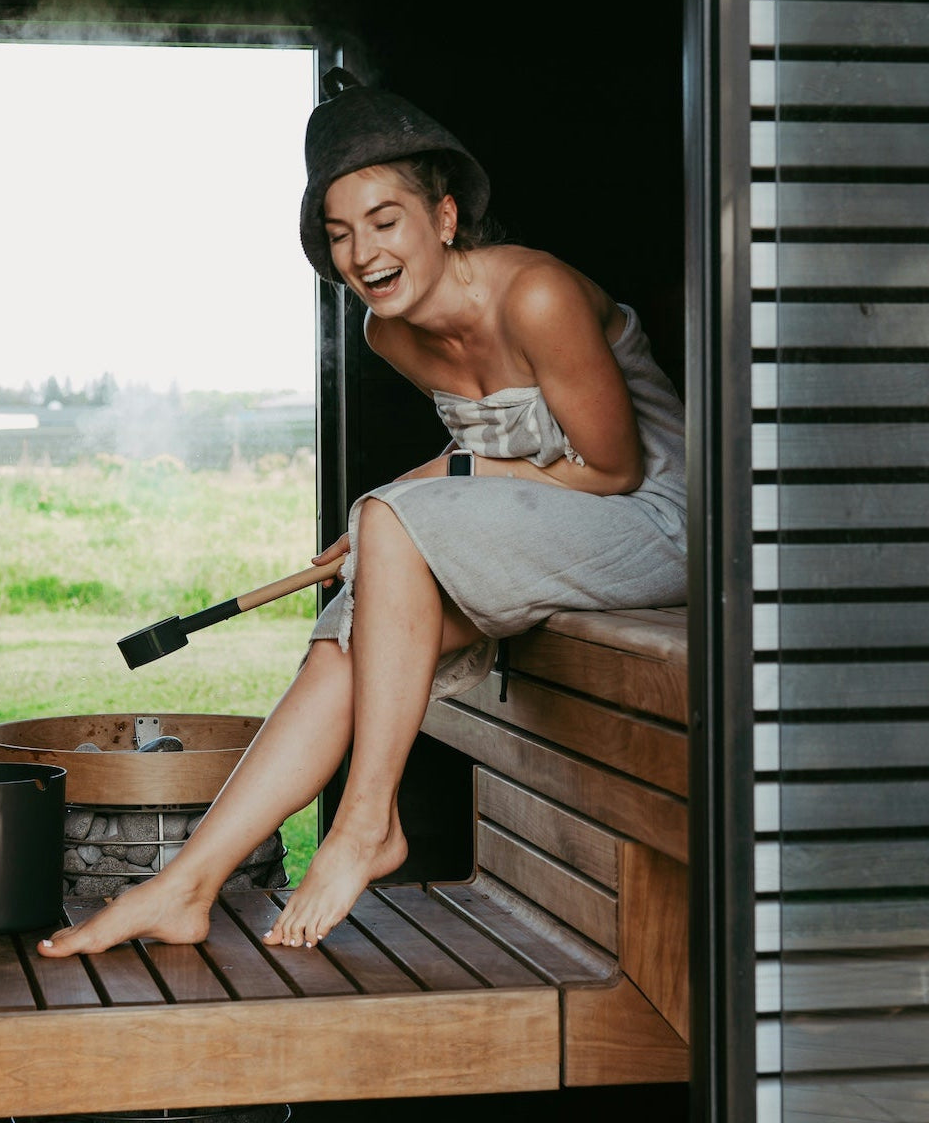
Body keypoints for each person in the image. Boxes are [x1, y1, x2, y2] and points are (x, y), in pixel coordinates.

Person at [38, 67, 686, 958]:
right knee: (359, 617)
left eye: (386, 222)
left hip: (658, 522)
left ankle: (364, 823)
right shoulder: (390, 333)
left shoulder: (534, 295)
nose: (363, 253)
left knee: (390, 524)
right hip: (563, 523)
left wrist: (416, 507)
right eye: (341, 235)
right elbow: (487, 453)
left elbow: (611, 470)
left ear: (445, 219)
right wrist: (408, 515)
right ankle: (183, 883)